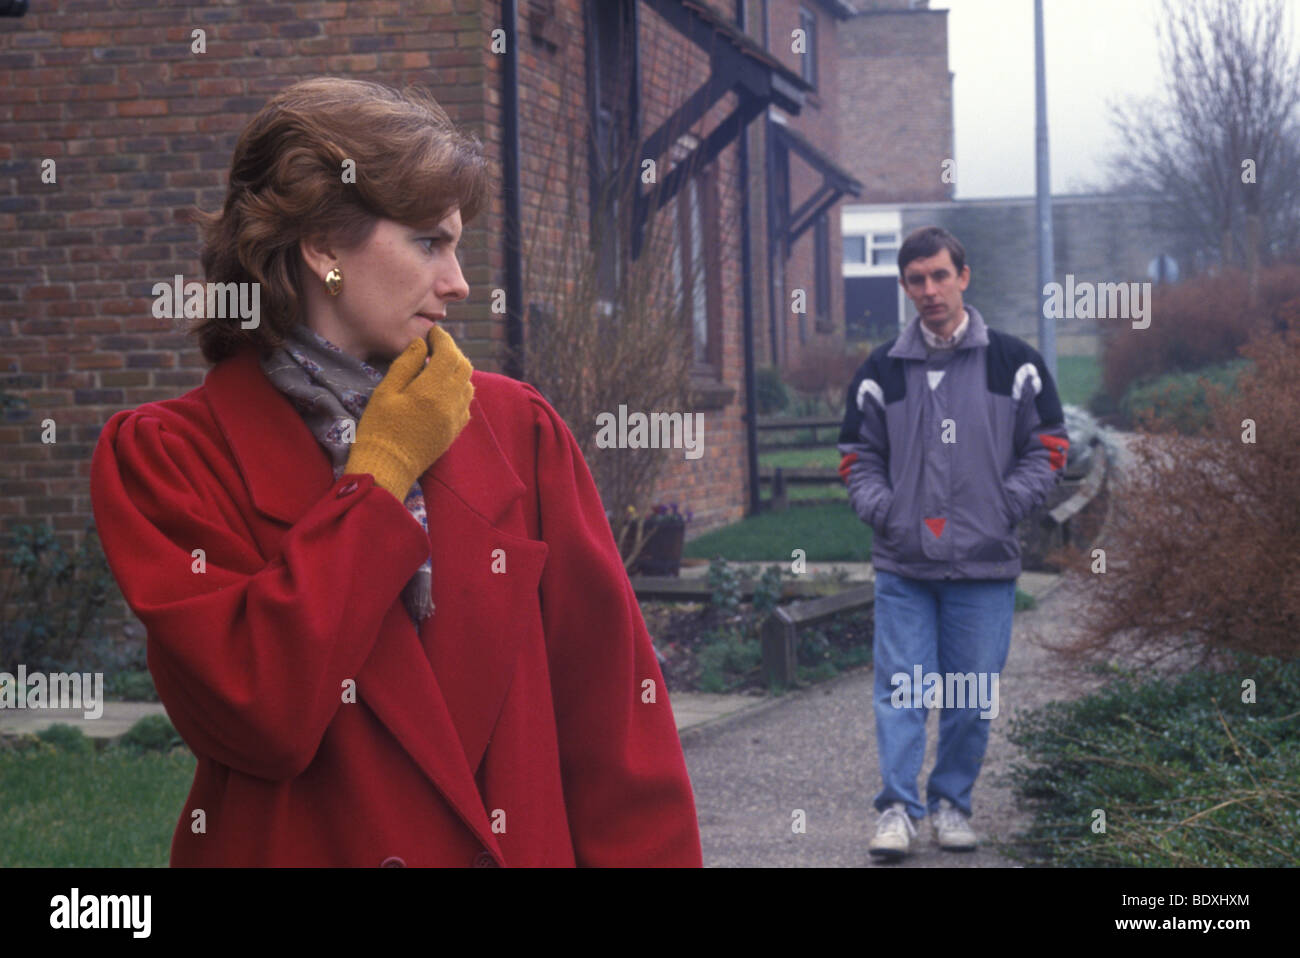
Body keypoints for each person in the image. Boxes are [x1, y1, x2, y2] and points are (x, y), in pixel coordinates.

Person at [89, 77, 703, 867]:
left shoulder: (516, 430)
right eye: (427, 242)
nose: (458, 282)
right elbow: (264, 713)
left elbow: (618, 735)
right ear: (322, 247)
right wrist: (379, 476)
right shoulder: (170, 457)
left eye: (457, 245)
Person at [836, 226, 1070, 861]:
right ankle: (896, 811)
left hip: (984, 563)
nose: (930, 290)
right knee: (903, 689)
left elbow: (1047, 448)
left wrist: (1003, 509)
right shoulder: (882, 370)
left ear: (963, 277)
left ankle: (950, 804)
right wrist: (887, 514)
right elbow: (858, 455)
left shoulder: (1014, 363)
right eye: (917, 279)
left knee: (969, 696)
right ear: (906, 286)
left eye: (941, 275)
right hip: (904, 563)